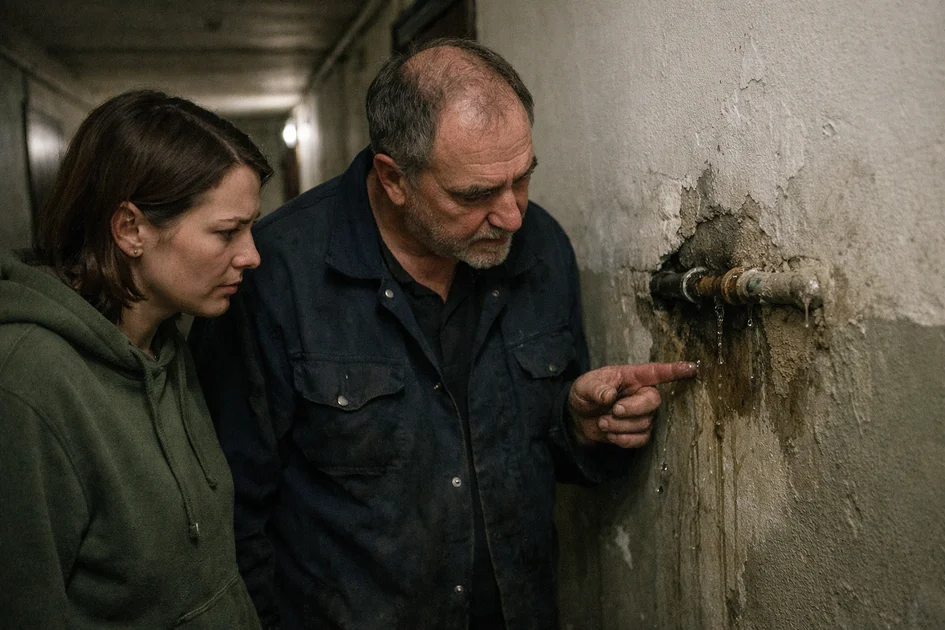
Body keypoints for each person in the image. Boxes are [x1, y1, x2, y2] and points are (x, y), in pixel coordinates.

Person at [190, 39, 696, 629]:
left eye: (522, 179)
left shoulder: (541, 249)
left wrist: (579, 428)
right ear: (394, 178)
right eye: (475, 194)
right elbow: (230, 516)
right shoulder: (274, 275)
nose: (512, 214)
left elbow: (524, 450)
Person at [0, 90, 273, 628]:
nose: (251, 255)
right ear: (131, 229)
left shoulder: (163, 345)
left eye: (250, 228)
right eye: (226, 232)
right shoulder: (28, 386)